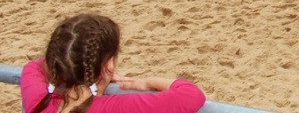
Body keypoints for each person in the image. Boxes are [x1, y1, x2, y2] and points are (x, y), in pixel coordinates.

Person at [21, 13, 206, 113]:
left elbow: (34, 67)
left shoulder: (39, 101)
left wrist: (92, 70)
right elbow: (191, 95)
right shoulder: (117, 107)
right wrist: (147, 83)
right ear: (109, 64)